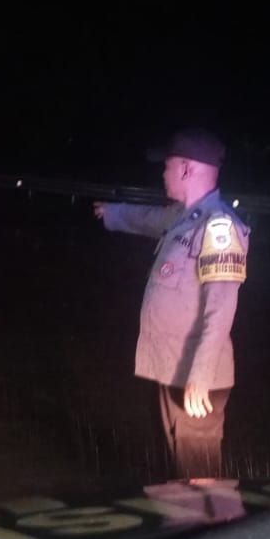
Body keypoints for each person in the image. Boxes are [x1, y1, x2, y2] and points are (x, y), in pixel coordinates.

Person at [93, 128, 250, 480]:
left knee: (199, 474)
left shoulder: (219, 227)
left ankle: (208, 518)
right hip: (173, 367)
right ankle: (186, 513)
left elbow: (220, 308)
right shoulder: (185, 217)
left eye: (167, 166)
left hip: (195, 375)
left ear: (186, 169)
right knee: (182, 470)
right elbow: (147, 218)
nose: (163, 174)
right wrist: (113, 212)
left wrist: (200, 376)